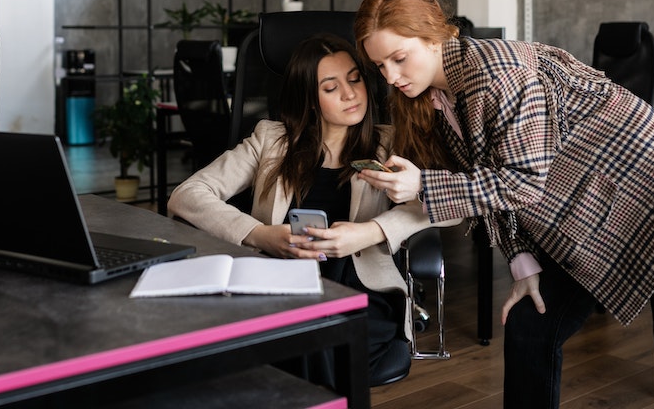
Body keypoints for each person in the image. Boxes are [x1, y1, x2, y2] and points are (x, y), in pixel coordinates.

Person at [352, 0, 654, 408]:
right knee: (530, 326)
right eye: (380, 65)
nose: (391, 77)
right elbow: (490, 183)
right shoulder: (438, 97)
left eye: (399, 58)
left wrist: (423, 186)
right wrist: (523, 264)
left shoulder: (496, 72)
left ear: (435, 37)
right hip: (589, 209)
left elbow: (521, 182)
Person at [168, 33, 455, 388]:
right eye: (331, 88)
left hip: (361, 295)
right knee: (300, 335)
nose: (351, 94)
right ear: (310, 99)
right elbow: (187, 194)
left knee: (309, 339)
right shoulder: (271, 140)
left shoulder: (391, 144)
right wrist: (260, 235)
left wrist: (370, 232)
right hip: (283, 288)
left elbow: (451, 204)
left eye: (355, 80)